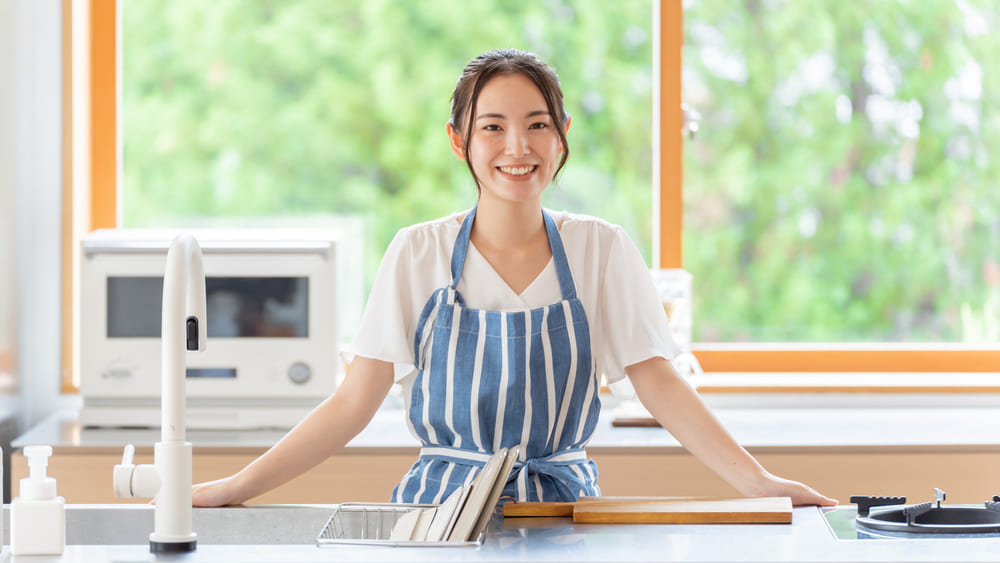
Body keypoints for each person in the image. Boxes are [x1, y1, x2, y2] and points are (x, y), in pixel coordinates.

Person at [192, 48, 837, 508]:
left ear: (562, 137)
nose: (517, 149)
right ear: (458, 141)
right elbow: (352, 404)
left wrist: (760, 484)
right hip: (437, 519)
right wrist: (232, 488)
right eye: (493, 128)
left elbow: (659, 383)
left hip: (562, 515)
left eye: (536, 126)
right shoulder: (416, 253)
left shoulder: (602, 251)